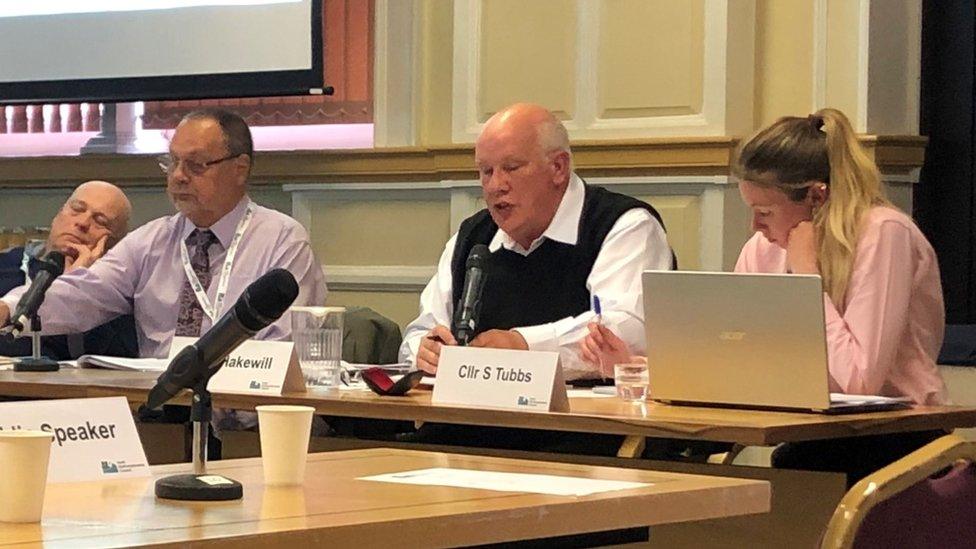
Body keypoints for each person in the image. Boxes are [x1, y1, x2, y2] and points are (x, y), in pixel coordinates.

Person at [584, 108, 948, 483]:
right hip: (809, 439)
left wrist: (808, 277)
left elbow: (858, 380)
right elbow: (735, 365)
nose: (755, 226)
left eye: (765, 212)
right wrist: (636, 367)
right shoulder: (762, 248)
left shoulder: (884, 234)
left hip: (899, 447)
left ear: (816, 197)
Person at [0, 109, 328, 433]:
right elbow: (83, 293)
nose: (178, 176)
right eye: (172, 162)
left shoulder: (282, 239)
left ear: (239, 169)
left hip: (253, 424)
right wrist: (11, 309)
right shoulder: (153, 239)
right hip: (161, 416)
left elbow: (283, 347)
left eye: (196, 165)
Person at [397, 102, 673, 454]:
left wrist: (523, 345)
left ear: (558, 167)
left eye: (511, 168)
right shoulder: (473, 238)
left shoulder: (622, 225)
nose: (496, 186)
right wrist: (425, 350)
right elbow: (420, 330)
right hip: (467, 436)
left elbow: (625, 330)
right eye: (485, 172)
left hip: (583, 440)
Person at [0, 180, 137, 359]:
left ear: (115, 245)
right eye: (77, 209)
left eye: (100, 221)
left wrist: (78, 284)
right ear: (57, 216)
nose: (82, 222)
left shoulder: (116, 298)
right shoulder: (7, 265)